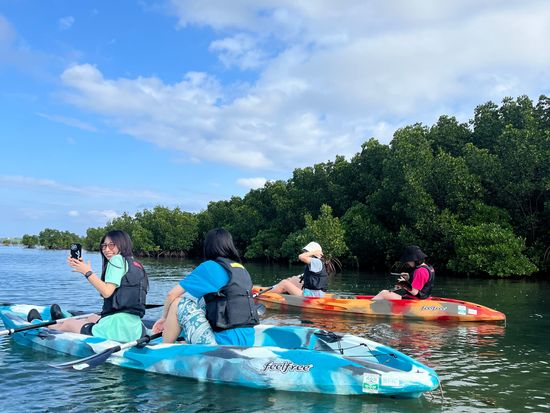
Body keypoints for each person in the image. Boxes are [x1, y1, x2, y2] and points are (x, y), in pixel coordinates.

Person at [27, 230, 149, 342]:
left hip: (115, 330)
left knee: (69, 324)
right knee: (91, 317)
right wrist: (85, 270)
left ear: (122, 244)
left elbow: (107, 292)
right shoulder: (136, 264)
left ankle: (39, 324)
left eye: (112, 245)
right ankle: (62, 317)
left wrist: (87, 272)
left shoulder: (116, 260)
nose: (106, 249)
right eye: (104, 246)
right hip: (134, 328)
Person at [152, 228, 259, 345]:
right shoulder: (241, 269)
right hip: (247, 341)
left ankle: (164, 348)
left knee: (178, 303)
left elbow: (171, 295)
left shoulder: (210, 266)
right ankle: (186, 339)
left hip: (222, 345)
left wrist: (164, 319)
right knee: (202, 301)